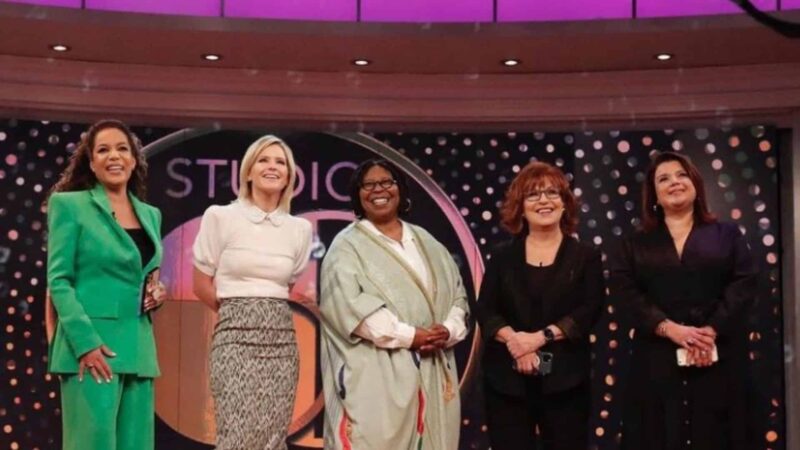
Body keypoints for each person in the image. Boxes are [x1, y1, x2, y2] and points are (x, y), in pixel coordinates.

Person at [610, 151, 757, 450]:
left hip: (719, 355)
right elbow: (624, 291)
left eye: (681, 175)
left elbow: (744, 283)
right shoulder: (634, 243)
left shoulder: (727, 234)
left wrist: (710, 331)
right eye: (664, 179)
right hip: (657, 358)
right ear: (654, 194)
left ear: (696, 185)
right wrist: (669, 329)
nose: (674, 182)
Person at [319, 158, 469, 450]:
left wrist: (448, 330)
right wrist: (411, 336)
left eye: (387, 182)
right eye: (368, 185)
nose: (379, 189)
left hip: (433, 372)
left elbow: (457, 297)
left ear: (400, 190)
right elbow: (349, 308)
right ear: (358, 195)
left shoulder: (427, 242)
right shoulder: (346, 247)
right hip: (377, 380)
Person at [46, 119, 166, 450]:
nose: (114, 156)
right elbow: (59, 280)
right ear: (92, 163)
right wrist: (85, 344)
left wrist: (157, 293)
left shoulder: (151, 214)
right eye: (103, 150)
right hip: (92, 351)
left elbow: (145, 275)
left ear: (134, 160)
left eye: (122, 149)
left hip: (139, 350)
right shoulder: (69, 206)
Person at [192, 135, 312, 450]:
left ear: (289, 175)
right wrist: (239, 314)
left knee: (273, 437)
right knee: (237, 434)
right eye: (263, 160)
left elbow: (285, 287)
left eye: (280, 162)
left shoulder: (299, 229)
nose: (272, 167)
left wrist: (264, 313)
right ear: (248, 171)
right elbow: (200, 285)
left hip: (281, 344)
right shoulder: (220, 216)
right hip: (234, 339)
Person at [476, 161, 604, 450]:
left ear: (564, 203)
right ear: (520, 207)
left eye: (552, 193)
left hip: (567, 381)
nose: (543, 200)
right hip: (505, 381)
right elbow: (485, 309)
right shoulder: (502, 256)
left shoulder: (586, 256)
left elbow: (591, 308)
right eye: (533, 195)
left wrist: (539, 339)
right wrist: (516, 342)